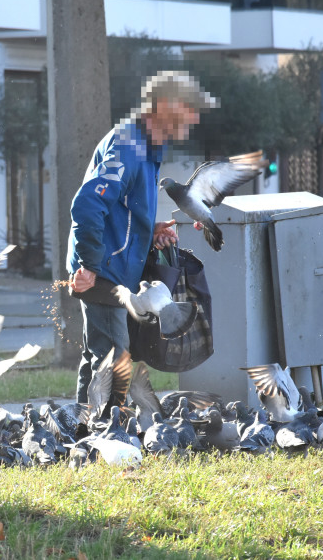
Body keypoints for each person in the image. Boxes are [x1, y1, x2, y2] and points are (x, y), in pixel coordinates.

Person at [67, 71, 217, 405]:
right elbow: (88, 204)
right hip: (103, 271)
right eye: (189, 108)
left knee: (102, 357)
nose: (194, 118)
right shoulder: (128, 146)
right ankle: (105, 441)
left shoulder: (146, 148)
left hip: (112, 266)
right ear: (163, 107)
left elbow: (121, 212)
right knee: (114, 361)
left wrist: (149, 234)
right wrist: (89, 266)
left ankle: (83, 434)